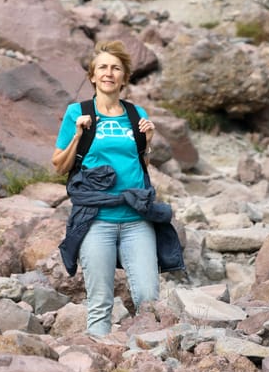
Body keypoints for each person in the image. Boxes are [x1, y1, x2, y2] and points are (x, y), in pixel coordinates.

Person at [52, 40, 182, 338]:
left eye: (116, 68)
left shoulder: (136, 114)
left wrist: (148, 145)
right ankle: (100, 367)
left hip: (137, 218)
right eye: (103, 68)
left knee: (149, 298)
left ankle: (148, 362)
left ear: (124, 78)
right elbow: (59, 166)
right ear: (93, 76)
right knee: (99, 301)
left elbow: (141, 165)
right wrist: (77, 135)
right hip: (97, 219)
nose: (109, 73)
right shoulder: (77, 112)